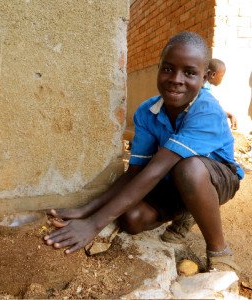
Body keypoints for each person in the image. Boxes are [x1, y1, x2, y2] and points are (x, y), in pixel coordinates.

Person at [44, 31, 244, 273]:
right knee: (132, 219)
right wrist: (87, 209)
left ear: (204, 78)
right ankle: (188, 211)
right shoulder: (147, 112)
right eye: (168, 69)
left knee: (189, 169)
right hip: (173, 179)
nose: (176, 79)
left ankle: (219, 249)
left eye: (189, 73)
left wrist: (93, 225)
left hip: (216, 179)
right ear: (159, 69)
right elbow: (136, 172)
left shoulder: (207, 110)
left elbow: (157, 169)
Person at [203, 58, 238, 129]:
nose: (222, 79)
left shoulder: (205, 86)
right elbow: (209, 110)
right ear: (213, 74)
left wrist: (227, 114)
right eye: (222, 76)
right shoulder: (205, 90)